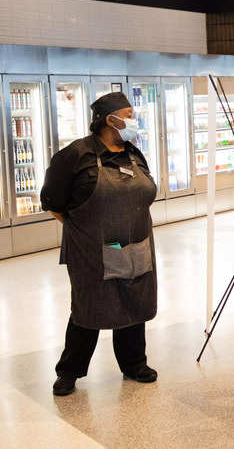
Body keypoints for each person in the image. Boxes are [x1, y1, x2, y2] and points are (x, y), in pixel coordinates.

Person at [40, 92, 158, 397]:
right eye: (129, 114)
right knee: (90, 306)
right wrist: (82, 231)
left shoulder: (132, 153)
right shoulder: (77, 155)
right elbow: (52, 201)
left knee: (133, 300)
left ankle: (134, 363)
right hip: (93, 251)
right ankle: (69, 371)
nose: (134, 120)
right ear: (110, 119)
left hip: (135, 244)